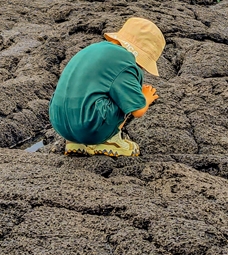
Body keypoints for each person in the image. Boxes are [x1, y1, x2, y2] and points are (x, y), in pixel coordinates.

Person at [49, 16, 165, 157]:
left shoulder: (93, 48)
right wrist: (146, 97)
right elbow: (138, 111)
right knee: (125, 97)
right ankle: (111, 141)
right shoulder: (125, 62)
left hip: (59, 122)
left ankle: (76, 143)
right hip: (89, 127)